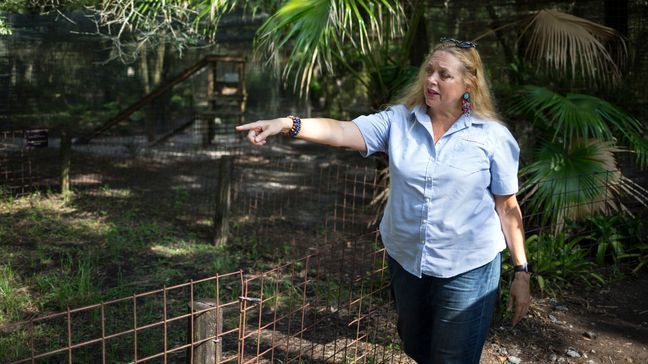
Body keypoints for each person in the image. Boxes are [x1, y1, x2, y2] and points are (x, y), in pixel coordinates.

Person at [236, 37, 531, 364]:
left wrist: (522, 271)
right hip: (407, 262)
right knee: (416, 346)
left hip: (467, 267)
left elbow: (507, 208)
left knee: (453, 357)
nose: (431, 79)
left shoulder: (492, 137)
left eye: (443, 75)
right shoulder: (399, 121)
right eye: (429, 71)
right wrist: (287, 124)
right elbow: (342, 131)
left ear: (468, 84)